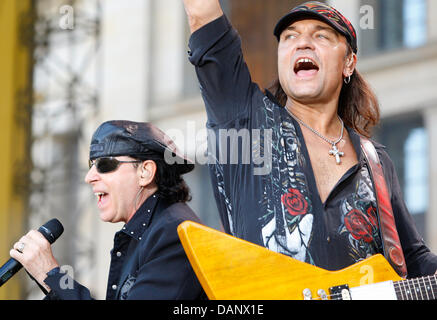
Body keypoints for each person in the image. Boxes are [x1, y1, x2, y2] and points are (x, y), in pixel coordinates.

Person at [182, 0, 437, 278]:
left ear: (349, 63)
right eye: (290, 36)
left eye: (321, 36)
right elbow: (201, 12)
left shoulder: (375, 162)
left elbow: (413, 261)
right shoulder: (247, 122)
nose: (302, 43)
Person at [10, 120, 205, 299]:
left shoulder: (174, 234)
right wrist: (53, 279)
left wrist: (51, 274)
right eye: (91, 165)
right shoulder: (151, 229)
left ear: (145, 172)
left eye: (104, 164)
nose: (89, 177)